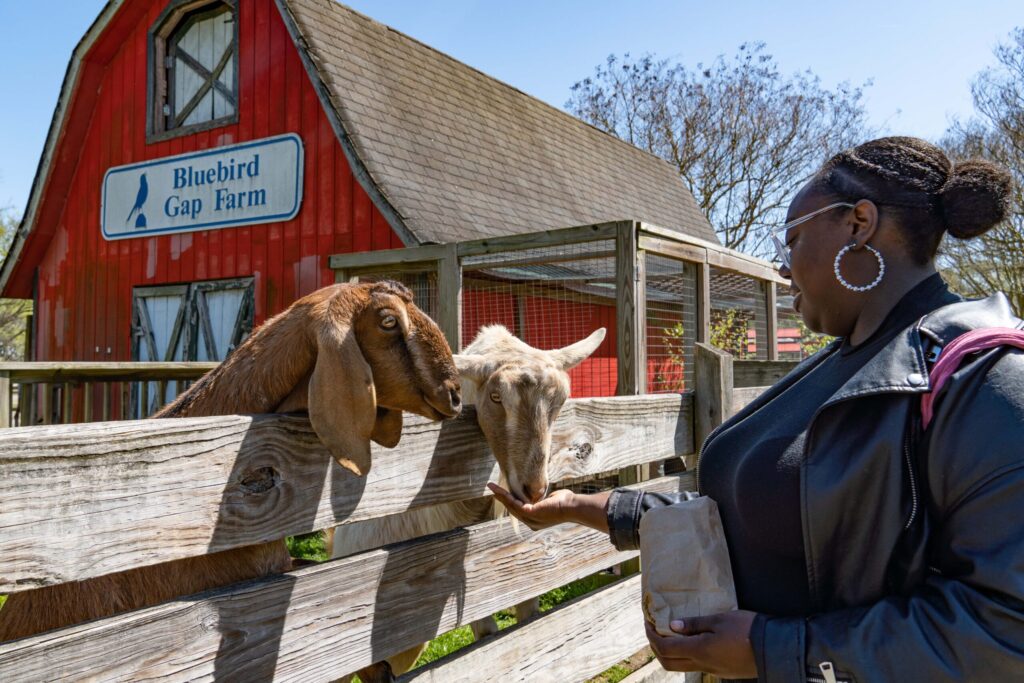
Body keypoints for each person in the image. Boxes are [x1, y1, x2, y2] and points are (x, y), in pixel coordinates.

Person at [490, 137, 1024, 681]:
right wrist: (581, 507)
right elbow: (756, 516)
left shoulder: (982, 380)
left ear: (858, 225)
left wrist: (774, 649)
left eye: (792, 239)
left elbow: (1005, 631)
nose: (783, 266)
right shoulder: (845, 359)